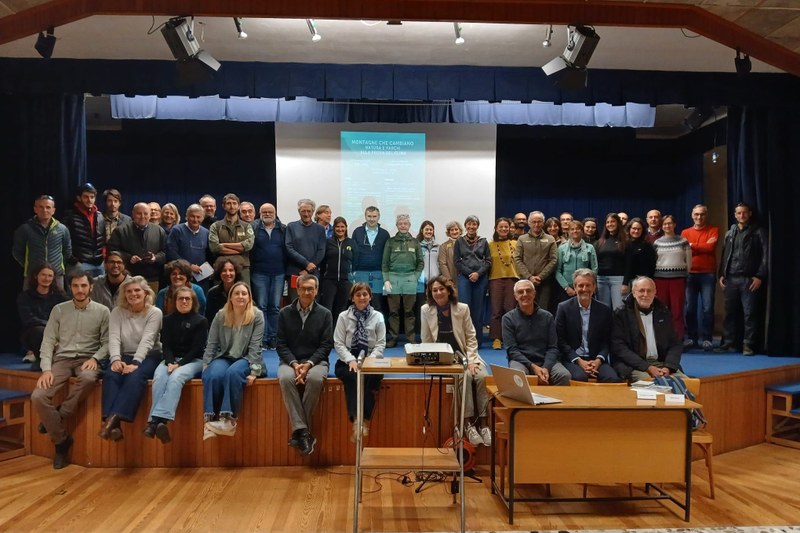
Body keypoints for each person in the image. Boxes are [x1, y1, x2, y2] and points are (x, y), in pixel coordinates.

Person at [31, 270, 109, 469]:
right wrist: (46, 369)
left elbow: (108, 342)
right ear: (70, 288)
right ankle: (62, 441)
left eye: (83, 285)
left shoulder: (102, 311)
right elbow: (48, 341)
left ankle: (61, 413)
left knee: (89, 378)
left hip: (88, 359)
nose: (80, 289)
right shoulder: (59, 310)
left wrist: (95, 358)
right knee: (38, 396)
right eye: (75, 286)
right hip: (62, 360)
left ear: (91, 287)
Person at [421, 277, 491, 446]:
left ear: (449, 290)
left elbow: (471, 337)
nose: (438, 293)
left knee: (481, 376)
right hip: (444, 359)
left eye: (441, 289)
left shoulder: (462, 308)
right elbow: (426, 339)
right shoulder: (426, 310)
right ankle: (467, 424)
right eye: (434, 290)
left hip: (466, 355)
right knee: (465, 377)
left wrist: (472, 360)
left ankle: (484, 425)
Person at [99, 276, 163, 442]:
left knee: (135, 376)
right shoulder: (117, 312)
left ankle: (110, 421)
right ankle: (114, 426)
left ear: (146, 293)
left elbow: (148, 340)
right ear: (124, 294)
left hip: (149, 356)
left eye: (137, 290)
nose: (133, 294)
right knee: (111, 374)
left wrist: (135, 362)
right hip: (124, 355)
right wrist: (115, 359)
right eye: (129, 291)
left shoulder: (154, 313)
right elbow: (113, 338)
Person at [277, 274, 333, 455]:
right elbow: (281, 345)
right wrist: (294, 364)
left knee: (315, 379)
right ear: (297, 289)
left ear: (316, 291)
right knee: (285, 378)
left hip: (316, 361)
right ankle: (304, 432)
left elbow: (326, 346)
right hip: (290, 361)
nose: (307, 292)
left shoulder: (325, 314)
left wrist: (309, 364)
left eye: (311, 289)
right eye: (304, 288)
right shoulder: (284, 313)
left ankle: (300, 432)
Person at [144, 286, 208, 444]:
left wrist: (179, 364)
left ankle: (155, 422)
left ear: (193, 302)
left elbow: (197, 349)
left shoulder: (201, 321)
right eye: (181, 298)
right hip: (171, 359)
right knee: (159, 377)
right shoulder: (167, 320)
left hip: (194, 360)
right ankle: (157, 423)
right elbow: (166, 346)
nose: (184, 301)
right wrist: (170, 362)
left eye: (187, 299)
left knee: (176, 378)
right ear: (175, 301)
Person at [202, 282, 265, 439]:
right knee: (212, 374)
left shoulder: (257, 315)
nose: (240, 296)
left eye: (244, 293)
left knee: (232, 373)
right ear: (230, 297)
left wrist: (255, 372)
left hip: (247, 358)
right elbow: (212, 343)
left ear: (249, 297)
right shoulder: (220, 315)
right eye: (236, 293)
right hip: (225, 356)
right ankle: (210, 422)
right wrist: (206, 363)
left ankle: (228, 421)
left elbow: (256, 347)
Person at [333, 283, 385, 442]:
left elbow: (381, 343)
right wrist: (350, 360)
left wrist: (370, 360)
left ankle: (363, 419)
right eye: (358, 295)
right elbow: (338, 343)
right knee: (352, 376)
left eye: (365, 294)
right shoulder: (343, 316)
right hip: (348, 359)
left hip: (371, 358)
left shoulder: (378, 316)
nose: (362, 297)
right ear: (352, 298)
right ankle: (357, 419)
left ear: (370, 297)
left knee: (373, 377)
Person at [611, 276, 686, 382]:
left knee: (688, 384)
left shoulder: (664, 312)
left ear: (655, 292)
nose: (645, 295)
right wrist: (648, 367)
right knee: (652, 385)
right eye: (641, 291)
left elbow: (675, 344)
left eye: (649, 291)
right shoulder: (621, 314)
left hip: (662, 364)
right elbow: (619, 348)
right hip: (634, 366)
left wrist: (668, 367)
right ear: (634, 293)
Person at [718, 202, 768, 355]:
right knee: (730, 312)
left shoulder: (758, 232)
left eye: (744, 212)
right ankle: (729, 342)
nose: (742, 215)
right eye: (739, 213)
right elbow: (725, 254)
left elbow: (766, 255)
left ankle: (748, 344)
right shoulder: (730, 233)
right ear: (735, 215)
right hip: (731, 278)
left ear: (750, 214)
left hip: (749, 279)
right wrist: (722, 274)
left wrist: (760, 276)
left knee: (749, 313)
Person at [555, 269, 621, 382]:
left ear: (594, 287)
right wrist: (579, 361)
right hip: (572, 359)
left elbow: (607, 341)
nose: (584, 289)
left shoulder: (604, 310)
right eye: (580, 286)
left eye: (588, 285)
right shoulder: (564, 308)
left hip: (596, 359)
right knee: (580, 377)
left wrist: (598, 361)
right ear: (575, 287)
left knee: (612, 378)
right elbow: (560, 340)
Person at [502, 279, 570, 385]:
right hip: (521, 361)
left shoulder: (547, 317)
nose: (525, 294)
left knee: (564, 375)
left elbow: (553, 347)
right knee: (517, 375)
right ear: (515, 296)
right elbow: (512, 350)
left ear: (534, 294)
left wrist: (546, 368)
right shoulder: (508, 318)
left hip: (546, 360)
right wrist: (533, 367)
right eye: (520, 292)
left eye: (528, 291)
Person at [681, 204, 719, 351]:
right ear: (692, 215)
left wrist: (692, 245)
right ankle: (692, 338)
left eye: (702, 214)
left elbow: (710, 248)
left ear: (706, 215)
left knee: (707, 308)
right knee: (690, 308)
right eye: (696, 214)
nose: (699, 217)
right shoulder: (685, 232)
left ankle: (707, 339)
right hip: (690, 273)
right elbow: (685, 250)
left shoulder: (713, 230)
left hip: (708, 273)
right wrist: (701, 246)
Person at [13, 195, 71, 290]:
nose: (44, 210)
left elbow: (67, 251)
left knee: (58, 300)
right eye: (41, 207)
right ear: (35, 209)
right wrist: (30, 266)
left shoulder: (62, 229)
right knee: (29, 299)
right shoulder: (25, 229)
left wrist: (57, 266)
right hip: (33, 275)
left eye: (48, 207)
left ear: (53, 210)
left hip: (56, 275)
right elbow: (17, 252)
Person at [382, 214, 424, 347]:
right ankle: (393, 338)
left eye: (405, 223)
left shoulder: (415, 242)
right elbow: (385, 263)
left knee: (409, 311)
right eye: (400, 224)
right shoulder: (390, 242)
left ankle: (410, 338)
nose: (403, 226)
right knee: (393, 311)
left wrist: (415, 277)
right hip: (393, 278)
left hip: (410, 278)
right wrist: (386, 280)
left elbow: (420, 262)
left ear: (409, 225)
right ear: (397, 225)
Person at [107, 202, 167, 292]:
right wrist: (129, 258)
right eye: (139, 213)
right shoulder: (120, 231)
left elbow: (165, 252)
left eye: (145, 213)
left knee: (150, 301)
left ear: (150, 215)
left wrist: (155, 258)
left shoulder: (159, 231)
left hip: (152, 279)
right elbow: (112, 251)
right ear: (133, 214)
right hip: (128, 278)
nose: (142, 216)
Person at [17, 264, 67, 369]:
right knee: (40, 331)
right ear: (36, 276)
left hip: (57, 332)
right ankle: (41, 360)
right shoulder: (25, 296)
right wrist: (49, 327)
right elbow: (28, 319)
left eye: (50, 276)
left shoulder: (60, 296)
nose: (46, 278)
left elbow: (66, 317)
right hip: (34, 333)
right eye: (43, 275)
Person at [251, 202, 286, 350]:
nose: (267, 214)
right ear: (259, 214)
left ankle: (273, 338)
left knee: (275, 307)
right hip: (259, 272)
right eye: (264, 212)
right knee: (261, 306)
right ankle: (263, 338)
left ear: (275, 213)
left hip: (279, 272)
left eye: (270, 212)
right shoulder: (253, 228)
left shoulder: (283, 229)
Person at [653, 214, 692, 340]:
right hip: (660, 279)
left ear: (674, 225)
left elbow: (689, 261)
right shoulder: (657, 242)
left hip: (678, 279)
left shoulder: (683, 241)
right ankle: (663, 338)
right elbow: (654, 260)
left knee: (677, 310)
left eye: (670, 223)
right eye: (665, 224)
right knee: (662, 310)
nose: (667, 226)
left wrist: (686, 274)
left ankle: (677, 339)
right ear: (662, 226)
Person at [513, 211, 557, 311]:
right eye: (534, 222)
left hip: (544, 282)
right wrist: (529, 277)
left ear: (543, 223)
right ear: (529, 223)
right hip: (525, 281)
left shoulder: (550, 239)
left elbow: (553, 260)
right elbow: (517, 259)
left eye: (539, 221)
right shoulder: (522, 239)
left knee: (543, 309)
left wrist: (540, 277)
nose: (536, 224)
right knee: (525, 308)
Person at [208, 193, 255, 285]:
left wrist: (223, 245)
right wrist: (240, 248)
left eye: (234, 203)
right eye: (228, 203)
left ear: (238, 206)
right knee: (220, 293)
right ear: (223, 206)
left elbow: (248, 246)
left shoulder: (246, 226)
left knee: (243, 292)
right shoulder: (216, 226)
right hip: (222, 267)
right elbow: (214, 247)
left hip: (242, 267)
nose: (232, 206)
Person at [285, 198, 326, 301]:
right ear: (299, 211)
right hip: (295, 272)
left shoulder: (320, 229)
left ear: (313, 212)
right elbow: (288, 248)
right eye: (303, 211)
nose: (306, 214)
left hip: (313, 273)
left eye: (309, 211)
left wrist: (308, 269)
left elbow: (321, 250)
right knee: (294, 303)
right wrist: (306, 263)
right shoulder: (291, 226)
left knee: (313, 304)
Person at [351, 206, 391, 312]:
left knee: (377, 305)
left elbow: (387, 256)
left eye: (374, 216)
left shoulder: (385, 234)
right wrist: (353, 271)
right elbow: (353, 253)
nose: (372, 219)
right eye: (369, 216)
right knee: (360, 303)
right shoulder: (357, 232)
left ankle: (377, 323)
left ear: (378, 217)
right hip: (361, 273)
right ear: (365, 216)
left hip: (378, 273)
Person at [487, 217, 518, 350]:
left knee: (511, 310)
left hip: (512, 279)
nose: (504, 229)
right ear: (496, 228)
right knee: (496, 311)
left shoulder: (516, 243)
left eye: (506, 227)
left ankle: (510, 338)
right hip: (495, 279)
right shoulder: (490, 245)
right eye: (501, 227)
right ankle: (497, 338)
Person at [166, 203, 211, 293]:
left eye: (198, 217)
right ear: (186, 217)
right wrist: (189, 266)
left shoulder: (206, 232)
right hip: (181, 276)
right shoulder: (177, 230)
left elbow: (209, 254)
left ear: (203, 218)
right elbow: (171, 252)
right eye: (192, 216)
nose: (195, 219)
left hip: (201, 277)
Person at [63, 183, 105, 278]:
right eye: (86, 197)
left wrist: (103, 257)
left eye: (92, 197)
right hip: (79, 264)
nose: (89, 200)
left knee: (99, 288)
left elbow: (103, 239)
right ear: (79, 198)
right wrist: (73, 260)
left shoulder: (100, 216)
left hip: (99, 263)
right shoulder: (70, 216)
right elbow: (64, 241)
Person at [320, 216, 357, 320]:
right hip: (329, 281)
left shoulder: (351, 242)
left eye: (342, 227)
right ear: (334, 228)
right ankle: (328, 330)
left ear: (346, 228)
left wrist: (352, 276)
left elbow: (356, 261)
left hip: (346, 281)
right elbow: (323, 262)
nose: (340, 229)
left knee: (342, 310)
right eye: (337, 227)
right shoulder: (328, 242)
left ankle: (339, 330)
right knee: (327, 308)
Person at [555, 221, 598, 302]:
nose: (575, 231)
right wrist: (566, 287)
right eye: (572, 229)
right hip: (566, 289)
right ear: (568, 232)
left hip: (585, 287)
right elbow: (557, 271)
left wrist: (589, 284)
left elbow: (594, 268)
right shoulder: (561, 248)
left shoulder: (590, 247)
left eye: (578, 229)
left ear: (582, 231)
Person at [594, 213, 627, 310]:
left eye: (612, 221)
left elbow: (628, 264)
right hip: (601, 280)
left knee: (619, 309)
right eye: (607, 222)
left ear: (618, 223)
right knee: (603, 309)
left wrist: (625, 283)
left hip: (618, 280)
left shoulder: (625, 241)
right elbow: (596, 263)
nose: (610, 224)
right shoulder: (600, 242)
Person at [623, 217, 657, 292]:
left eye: (639, 229)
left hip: (642, 281)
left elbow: (651, 265)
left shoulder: (647, 246)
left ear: (642, 230)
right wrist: (625, 282)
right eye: (634, 228)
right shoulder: (624, 244)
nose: (636, 231)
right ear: (629, 229)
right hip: (625, 281)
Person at [205, 258, 242, 322]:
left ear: (236, 272)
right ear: (219, 273)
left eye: (231, 270)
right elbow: (209, 318)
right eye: (224, 270)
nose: (227, 273)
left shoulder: (243, 292)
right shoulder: (212, 293)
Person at [416, 220, 440, 311]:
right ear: (422, 230)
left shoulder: (438, 246)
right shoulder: (417, 246)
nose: (429, 231)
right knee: (422, 307)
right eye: (426, 229)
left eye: (431, 229)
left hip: (435, 281)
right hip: (421, 282)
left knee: (435, 307)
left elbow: (440, 263)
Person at [437, 220, 463, 291]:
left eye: (456, 229)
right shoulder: (443, 246)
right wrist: (448, 279)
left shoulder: (466, 243)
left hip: (465, 279)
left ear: (460, 231)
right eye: (452, 230)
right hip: (451, 279)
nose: (454, 232)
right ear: (448, 232)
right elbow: (442, 264)